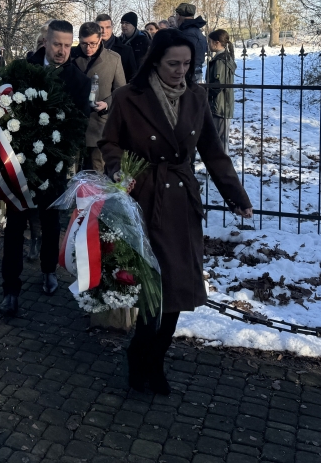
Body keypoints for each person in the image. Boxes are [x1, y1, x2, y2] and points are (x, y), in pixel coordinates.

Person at [98, 29, 252, 395]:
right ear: (155, 61)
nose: (180, 70)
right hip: (144, 199)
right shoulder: (128, 96)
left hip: (181, 202)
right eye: (173, 63)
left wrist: (235, 195)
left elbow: (213, 151)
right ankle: (139, 354)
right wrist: (118, 170)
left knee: (177, 291)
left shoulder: (196, 97)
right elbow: (110, 141)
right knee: (152, 289)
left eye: (186, 63)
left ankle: (156, 360)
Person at [0, 20, 91, 317]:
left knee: (51, 221)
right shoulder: (22, 71)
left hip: (53, 164)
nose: (62, 51)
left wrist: (56, 148)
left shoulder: (78, 81)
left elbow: (78, 126)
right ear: (45, 42)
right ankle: (10, 289)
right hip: (18, 163)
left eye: (67, 45)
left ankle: (48, 270)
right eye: (57, 44)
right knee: (15, 225)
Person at [71, 21, 125, 172]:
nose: (88, 48)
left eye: (93, 44)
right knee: (71, 175)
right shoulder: (70, 57)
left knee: (98, 173)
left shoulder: (113, 59)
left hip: (99, 126)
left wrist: (107, 104)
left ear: (100, 39)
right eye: (84, 44)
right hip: (73, 125)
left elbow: (121, 91)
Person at [206, 29, 237, 152]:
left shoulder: (221, 61)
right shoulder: (223, 58)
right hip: (221, 104)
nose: (208, 44)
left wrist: (205, 92)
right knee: (220, 140)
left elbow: (218, 84)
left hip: (219, 106)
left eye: (210, 41)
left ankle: (222, 163)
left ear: (217, 43)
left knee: (220, 141)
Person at [96, 13, 137, 80]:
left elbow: (132, 77)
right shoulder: (87, 47)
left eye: (107, 27)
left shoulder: (126, 51)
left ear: (112, 27)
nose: (104, 31)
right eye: (101, 28)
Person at [174, 3, 209, 79]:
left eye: (176, 15)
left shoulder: (187, 33)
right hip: (194, 71)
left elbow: (182, 55)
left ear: (178, 16)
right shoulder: (197, 31)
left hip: (188, 73)